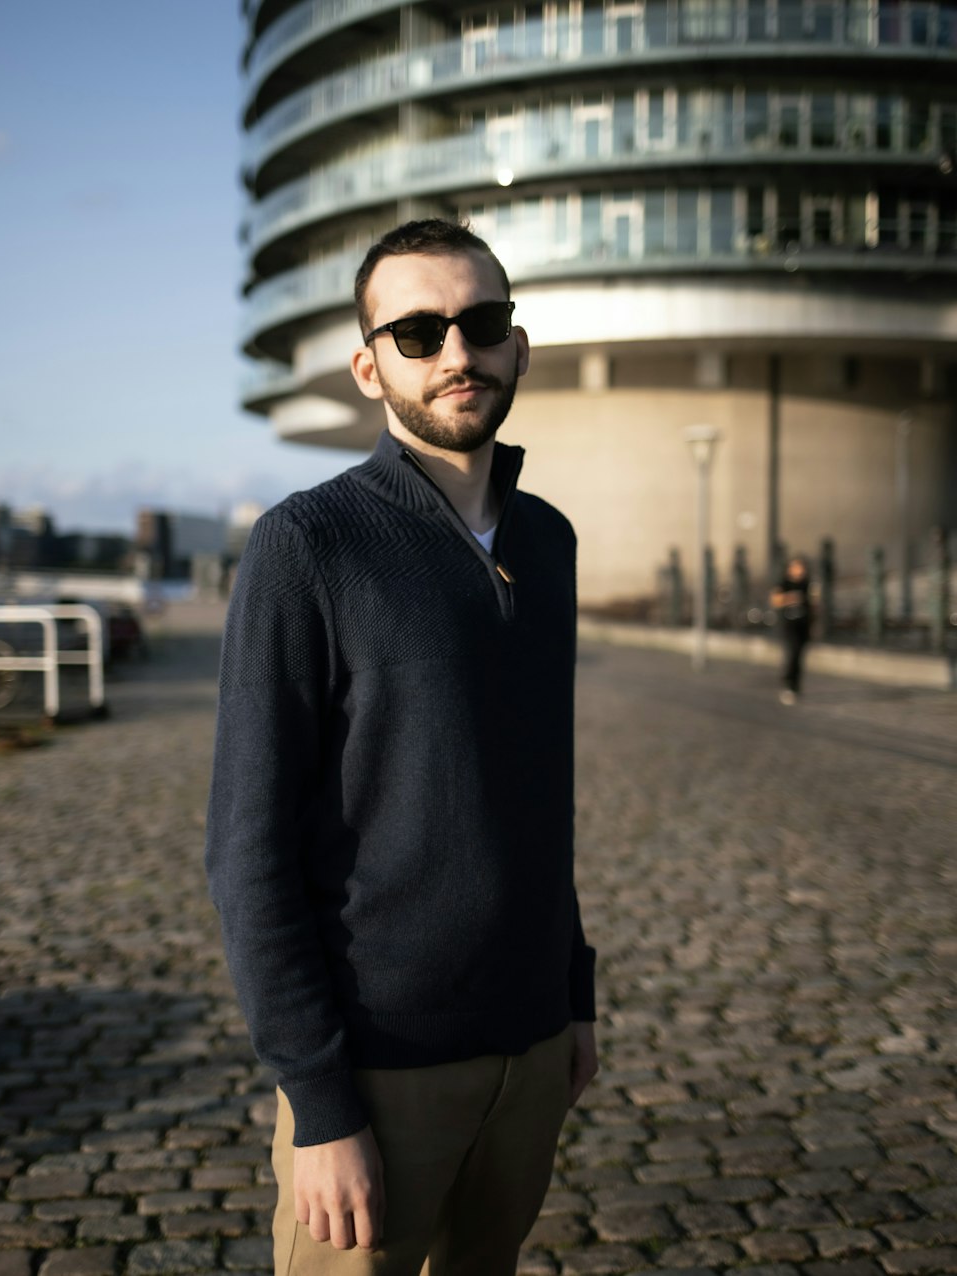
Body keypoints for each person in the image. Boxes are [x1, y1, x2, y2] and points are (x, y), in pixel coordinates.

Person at [205, 218, 597, 1276]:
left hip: (529, 1052)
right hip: (380, 1073)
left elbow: (535, 794)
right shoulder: (309, 543)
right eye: (419, 332)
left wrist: (572, 996)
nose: (457, 354)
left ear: (519, 343)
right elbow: (247, 847)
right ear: (368, 365)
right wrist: (321, 1104)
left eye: (482, 323)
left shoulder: (547, 541)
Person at [770, 554, 812, 704]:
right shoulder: (784, 583)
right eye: (796, 567)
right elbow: (775, 600)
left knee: (799, 656)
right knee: (792, 653)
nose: (799, 571)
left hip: (804, 625)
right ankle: (788, 684)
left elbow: (814, 605)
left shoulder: (807, 584)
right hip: (789, 626)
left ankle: (796, 686)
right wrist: (792, 598)